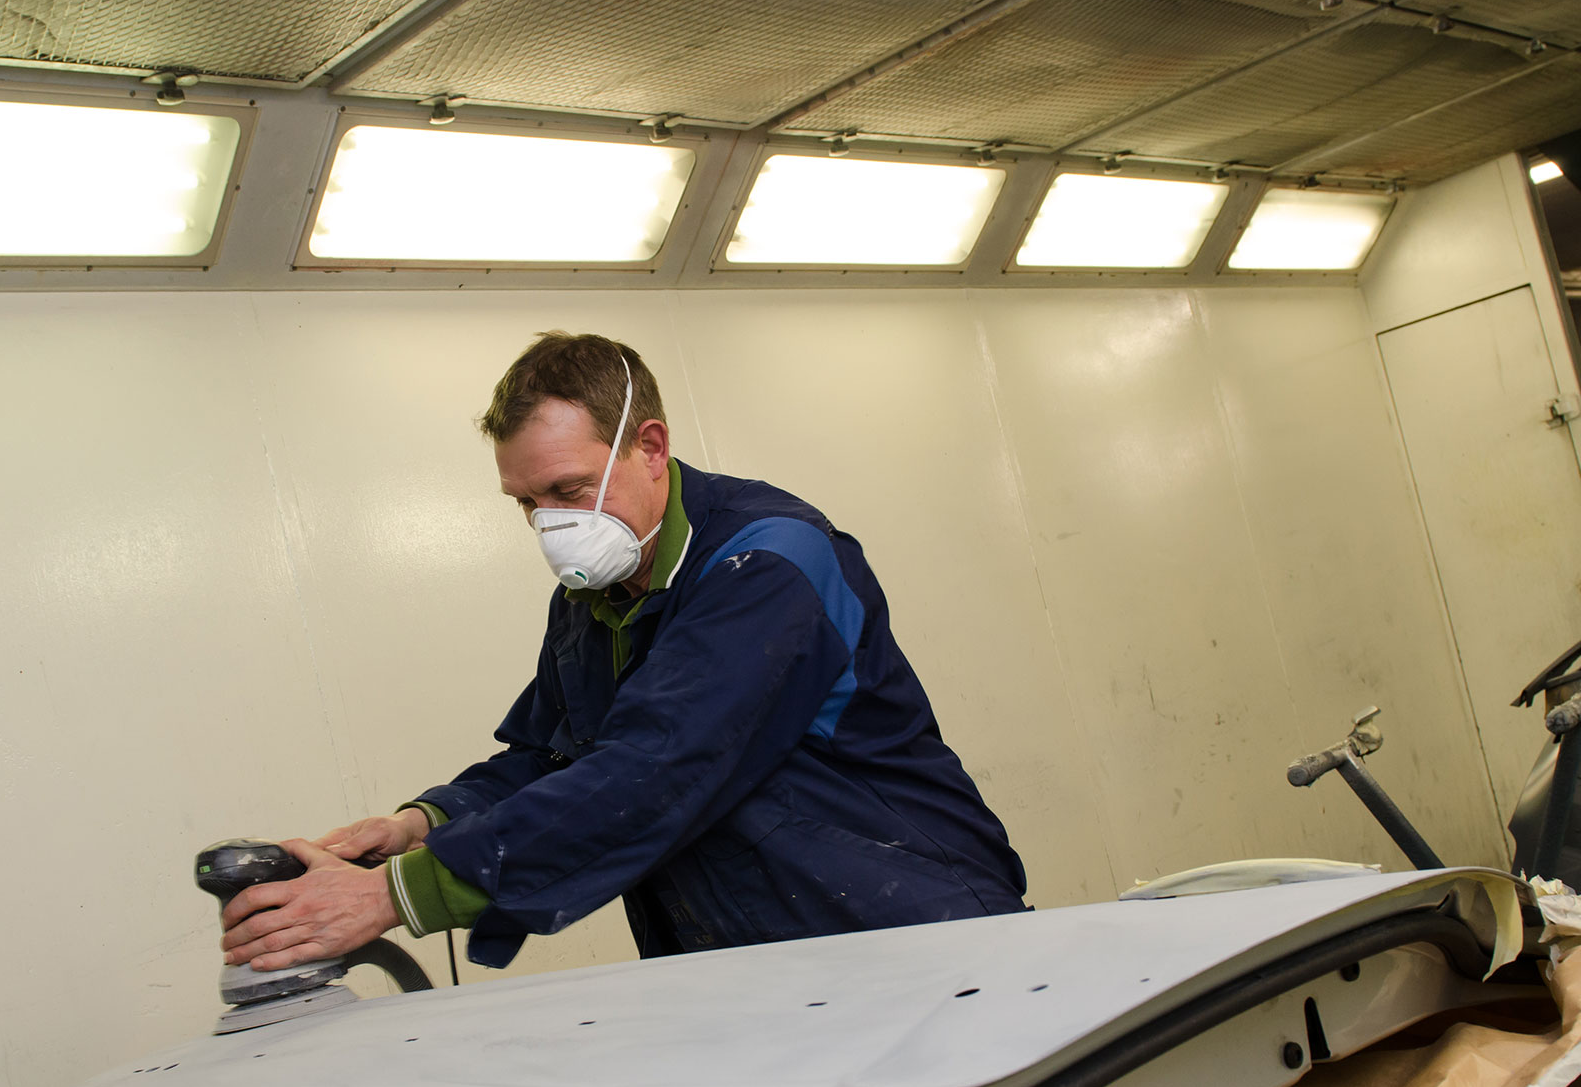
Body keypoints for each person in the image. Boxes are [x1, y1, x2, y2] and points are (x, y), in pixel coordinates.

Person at [219, 331, 1029, 975]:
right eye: (525, 503)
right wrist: (422, 824)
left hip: (906, 935)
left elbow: (657, 766)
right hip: (752, 961)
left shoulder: (769, 564)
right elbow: (556, 757)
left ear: (649, 446)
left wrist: (394, 898)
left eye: (567, 491)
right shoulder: (591, 598)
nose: (549, 526)